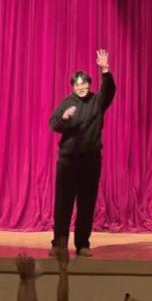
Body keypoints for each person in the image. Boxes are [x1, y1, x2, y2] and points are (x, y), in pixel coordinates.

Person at [48, 49, 116, 257]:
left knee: (87, 203)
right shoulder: (66, 103)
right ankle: (59, 244)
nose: (81, 87)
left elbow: (109, 91)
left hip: (90, 161)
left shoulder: (97, 102)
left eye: (84, 83)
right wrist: (64, 118)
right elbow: (53, 124)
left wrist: (105, 70)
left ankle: (82, 244)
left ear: (89, 84)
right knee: (63, 203)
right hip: (68, 161)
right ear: (73, 87)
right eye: (77, 84)